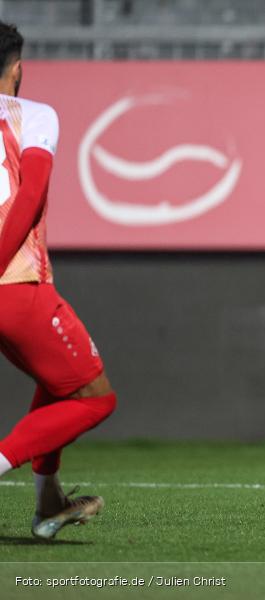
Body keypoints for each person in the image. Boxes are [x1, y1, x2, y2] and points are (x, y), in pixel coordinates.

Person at [0, 21, 116, 539]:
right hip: (16, 285)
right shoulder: (35, 115)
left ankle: (49, 502)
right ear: (18, 68)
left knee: (58, 382)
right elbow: (28, 197)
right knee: (95, 398)